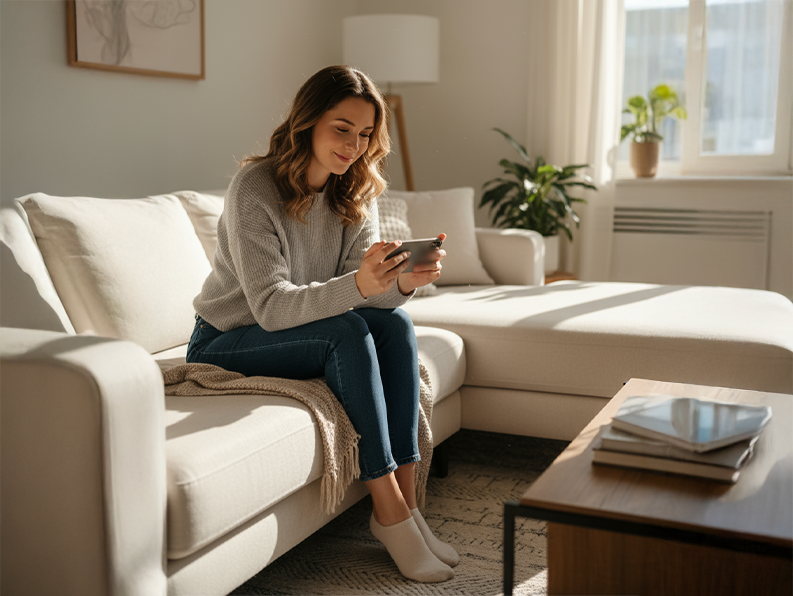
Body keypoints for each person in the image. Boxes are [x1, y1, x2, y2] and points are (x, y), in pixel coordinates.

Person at [186, 65, 458, 583]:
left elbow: (369, 297)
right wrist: (362, 285)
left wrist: (401, 282)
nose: (353, 145)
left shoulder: (356, 190)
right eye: (341, 127)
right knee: (347, 332)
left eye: (363, 134)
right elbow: (269, 306)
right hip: (226, 339)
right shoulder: (254, 188)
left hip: (293, 328)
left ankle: (407, 501)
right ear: (307, 121)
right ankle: (391, 514)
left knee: (396, 328)